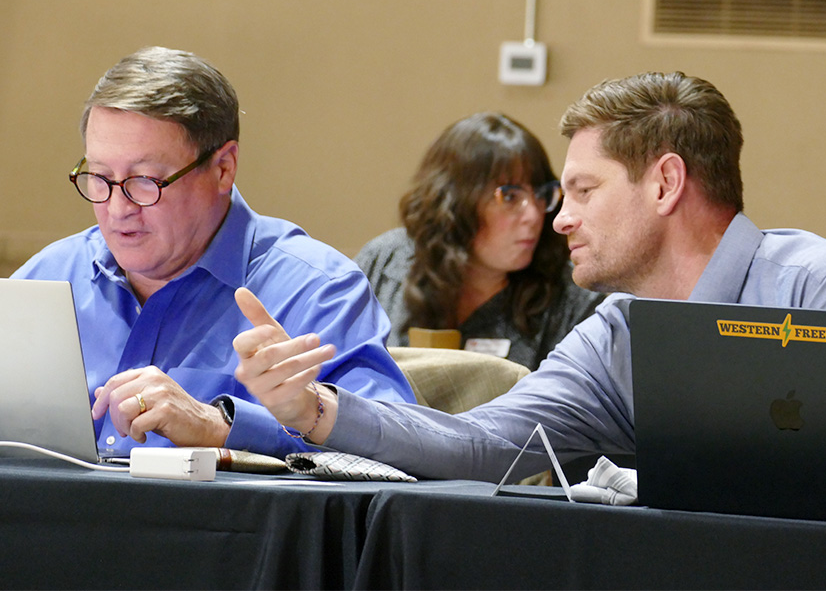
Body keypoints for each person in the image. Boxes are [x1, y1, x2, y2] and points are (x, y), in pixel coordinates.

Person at [232, 71, 826, 481]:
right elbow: (479, 444)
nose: (560, 220)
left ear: (666, 184)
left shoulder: (811, 286)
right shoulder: (616, 337)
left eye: (584, 191)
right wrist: (313, 410)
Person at [12, 46, 415, 458]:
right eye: (99, 177)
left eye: (146, 180)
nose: (117, 208)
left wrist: (220, 428)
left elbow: (397, 456)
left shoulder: (318, 291)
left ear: (223, 168)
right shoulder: (49, 276)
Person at [354, 113, 603, 370]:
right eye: (510, 197)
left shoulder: (573, 295)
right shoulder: (385, 261)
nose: (534, 215)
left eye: (540, 194)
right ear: (454, 202)